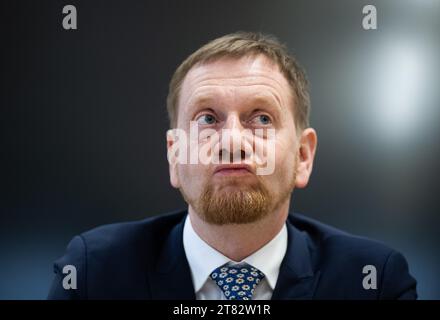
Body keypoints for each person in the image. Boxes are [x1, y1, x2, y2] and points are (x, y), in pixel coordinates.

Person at [48, 32, 417, 300]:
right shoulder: (93, 273)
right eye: (207, 120)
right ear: (175, 156)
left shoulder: (373, 282)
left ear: (303, 157)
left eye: (261, 119)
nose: (232, 142)